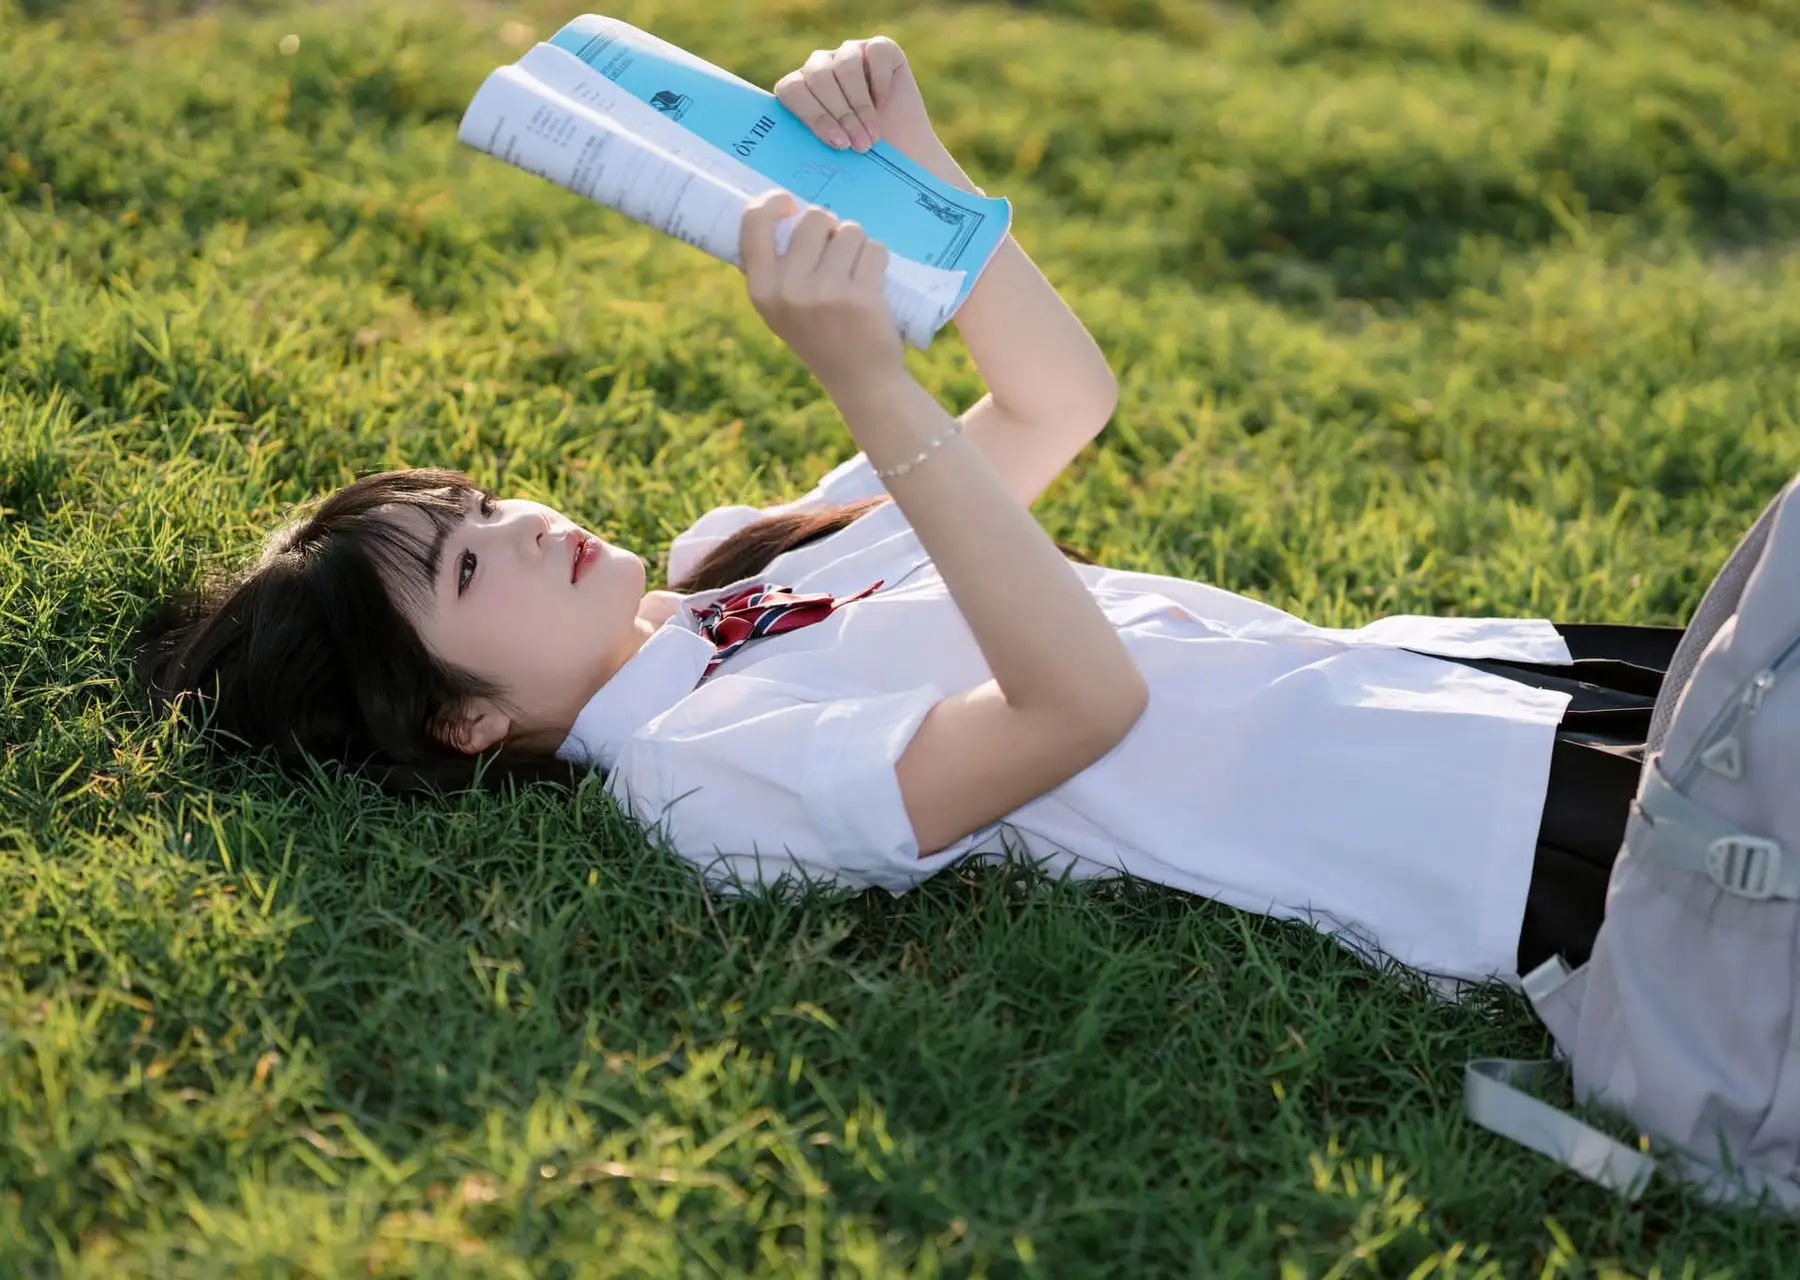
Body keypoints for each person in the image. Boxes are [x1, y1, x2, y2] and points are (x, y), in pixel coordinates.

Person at [135, 36, 1681, 986]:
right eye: (471, 566)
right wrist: (871, 386)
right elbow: (1081, 705)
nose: (527, 523)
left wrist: (917, 184)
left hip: (1466, 681)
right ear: (464, 723)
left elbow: (1059, 403)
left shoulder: (732, 565)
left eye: (483, 503)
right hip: (1462, 825)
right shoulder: (700, 776)